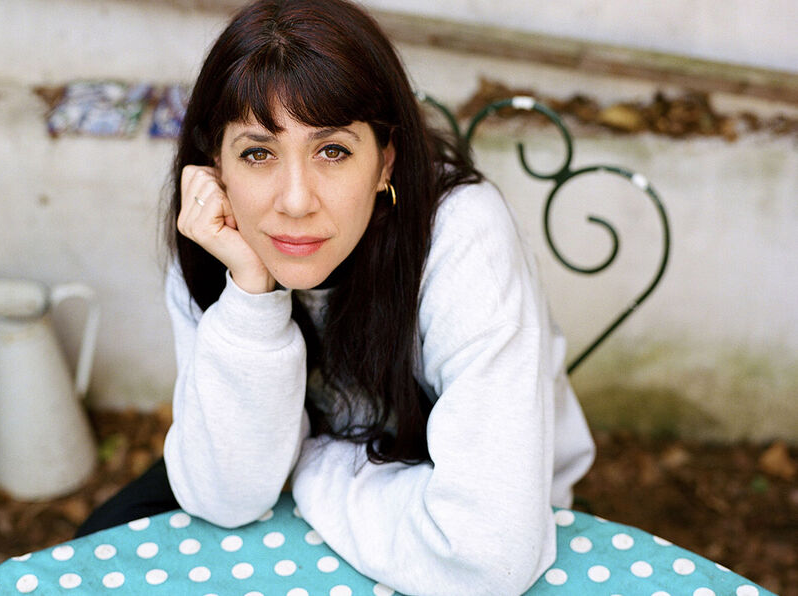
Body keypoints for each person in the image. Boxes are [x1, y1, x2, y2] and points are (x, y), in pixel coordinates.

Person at [78, 0, 595, 593]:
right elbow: (226, 496)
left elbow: (488, 555)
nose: (296, 201)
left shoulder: (462, 235)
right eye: (258, 153)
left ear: (385, 163)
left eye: (333, 151)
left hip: (437, 516)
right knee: (99, 546)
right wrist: (250, 294)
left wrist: (311, 462)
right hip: (300, 497)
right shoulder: (217, 235)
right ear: (216, 164)